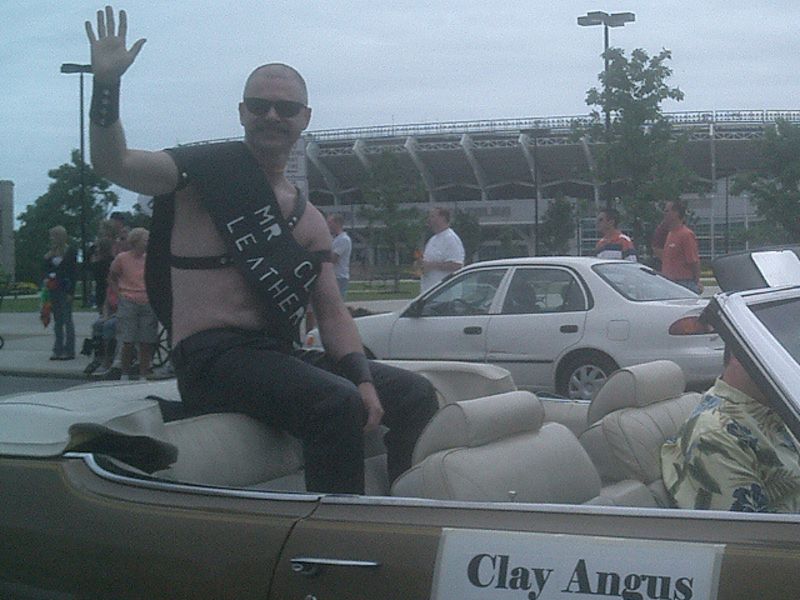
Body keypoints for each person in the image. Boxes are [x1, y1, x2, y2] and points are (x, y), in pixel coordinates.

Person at [84, 6, 437, 494]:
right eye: (259, 105)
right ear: (242, 112)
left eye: (286, 108)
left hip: (278, 355)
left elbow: (331, 313)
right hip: (211, 360)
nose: (272, 115)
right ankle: (336, 530)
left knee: (415, 395)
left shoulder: (310, 220)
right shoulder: (203, 176)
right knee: (335, 403)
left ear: (305, 118)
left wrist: (362, 377)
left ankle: (402, 504)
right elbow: (115, 163)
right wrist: (106, 86)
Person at [662, 347, 800, 512]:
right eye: (780, 358)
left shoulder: (776, 406)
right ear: (740, 356)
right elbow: (747, 525)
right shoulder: (715, 435)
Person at [108, 227, 159, 380]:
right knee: (127, 340)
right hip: (128, 300)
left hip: (147, 300)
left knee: (146, 341)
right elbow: (112, 277)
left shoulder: (150, 259)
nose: (147, 243)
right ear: (136, 241)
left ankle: (143, 373)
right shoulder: (122, 258)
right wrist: (119, 294)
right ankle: (124, 373)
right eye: (145, 240)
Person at [43, 225, 77, 360]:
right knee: (57, 320)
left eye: (54, 236)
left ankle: (69, 350)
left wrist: (71, 292)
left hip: (65, 288)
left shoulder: (70, 251)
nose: (52, 238)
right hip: (53, 289)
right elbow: (46, 269)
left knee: (67, 319)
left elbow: (73, 273)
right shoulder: (50, 253)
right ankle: (58, 348)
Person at [661, 200, 703, 294]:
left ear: (676, 213)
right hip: (669, 283)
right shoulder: (670, 234)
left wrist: (696, 282)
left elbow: (694, 261)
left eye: (667, 211)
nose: (664, 214)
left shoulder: (686, 234)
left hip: (683, 283)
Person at [420, 207, 465, 292]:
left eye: (432, 216)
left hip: (446, 294)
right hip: (430, 292)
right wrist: (421, 266)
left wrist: (432, 265)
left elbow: (457, 265)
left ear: (442, 218)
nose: (429, 219)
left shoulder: (451, 238)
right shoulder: (432, 239)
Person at [327, 213, 352, 299]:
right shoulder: (333, 238)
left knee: (337, 301)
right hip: (332, 276)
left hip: (339, 277)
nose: (327, 225)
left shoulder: (343, 239)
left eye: (330, 223)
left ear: (337, 223)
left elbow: (333, 259)